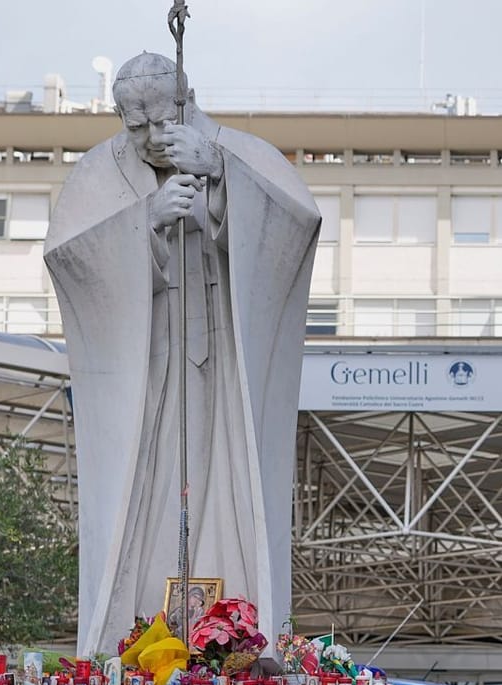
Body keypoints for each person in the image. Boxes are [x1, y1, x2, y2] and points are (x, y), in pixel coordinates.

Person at [48, 53, 322, 654]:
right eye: (133, 124)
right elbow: (69, 258)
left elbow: (297, 226)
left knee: (228, 477)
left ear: (188, 97)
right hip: (145, 366)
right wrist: (143, 220)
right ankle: (137, 630)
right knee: (143, 488)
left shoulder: (241, 152)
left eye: (161, 120)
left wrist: (222, 181)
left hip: (226, 364)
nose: (148, 137)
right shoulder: (100, 172)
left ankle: (239, 632)